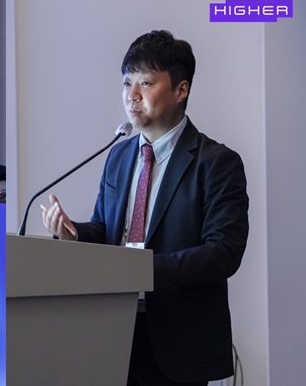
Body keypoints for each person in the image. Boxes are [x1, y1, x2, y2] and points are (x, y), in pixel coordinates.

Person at [42, 30, 249, 385]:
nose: (132, 95)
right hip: (113, 328)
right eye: (127, 83)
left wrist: (141, 270)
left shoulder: (216, 162)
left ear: (181, 90)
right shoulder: (119, 155)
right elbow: (107, 230)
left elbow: (223, 253)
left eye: (146, 83)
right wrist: (74, 234)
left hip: (179, 340)